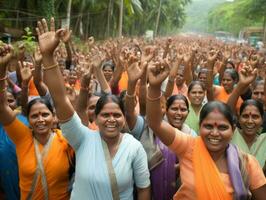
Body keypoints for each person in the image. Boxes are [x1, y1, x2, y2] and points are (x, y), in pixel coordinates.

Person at [36, 18, 150, 200]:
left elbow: (144, 189)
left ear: (124, 118)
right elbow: (59, 99)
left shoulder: (134, 147)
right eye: (105, 115)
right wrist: (48, 57)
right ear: (95, 119)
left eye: (116, 115)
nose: (111, 119)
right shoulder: (82, 138)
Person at [146, 60, 266, 199]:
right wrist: (154, 87)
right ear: (200, 125)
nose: (215, 133)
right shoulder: (188, 146)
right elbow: (155, 123)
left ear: (233, 129)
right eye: (208, 126)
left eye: (222, 127)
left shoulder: (246, 163)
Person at [0, 43, 74, 200]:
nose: (40, 119)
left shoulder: (65, 139)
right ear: (28, 120)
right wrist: (2, 70)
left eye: (44, 114)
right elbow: (2, 107)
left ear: (53, 117)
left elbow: (61, 99)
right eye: (34, 116)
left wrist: (49, 57)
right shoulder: (22, 138)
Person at [124, 55, 196, 200]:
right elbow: (129, 114)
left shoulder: (191, 134)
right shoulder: (147, 126)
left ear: (188, 113)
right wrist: (132, 84)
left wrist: (175, 168)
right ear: (166, 111)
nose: (178, 113)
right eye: (174, 109)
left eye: (183, 110)